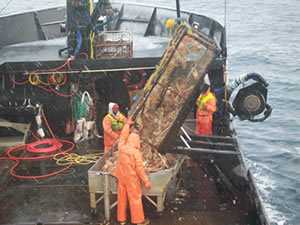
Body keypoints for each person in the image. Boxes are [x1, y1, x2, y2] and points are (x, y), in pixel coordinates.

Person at [114, 118, 151, 225]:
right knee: (135, 198)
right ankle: (138, 221)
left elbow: (122, 137)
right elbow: (140, 169)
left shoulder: (122, 147)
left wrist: (127, 125)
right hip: (131, 179)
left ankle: (122, 220)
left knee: (121, 198)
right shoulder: (136, 153)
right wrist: (146, 181)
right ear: (137, 141)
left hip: (121, 178)